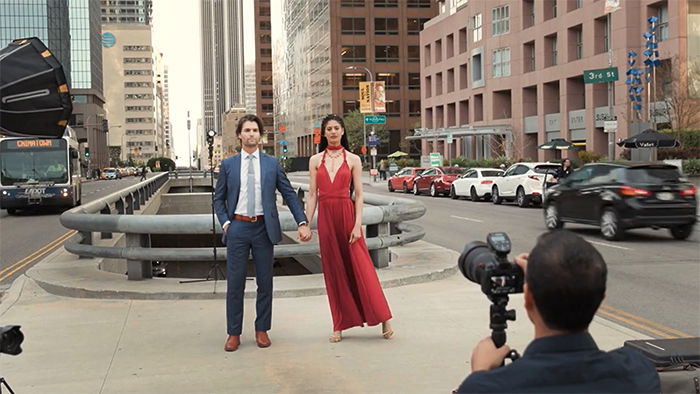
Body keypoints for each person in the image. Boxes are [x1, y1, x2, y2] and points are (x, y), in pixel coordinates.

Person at [455, 230, 660, 393]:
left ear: (528, 299)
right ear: (600, 300)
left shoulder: (487, 387)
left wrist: (480, 373)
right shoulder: (638, 373)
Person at [214, 114, 312, 352]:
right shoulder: (228, 165)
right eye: (246, 130)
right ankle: (233, 333)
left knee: (265, 282)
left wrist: (302, 221)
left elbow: (289, 194)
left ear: (260, 135)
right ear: (239, 135)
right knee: (235, 284)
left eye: (255, 131)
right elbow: (218, 199)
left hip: (263, 228)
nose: (251, 134)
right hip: (237, 227)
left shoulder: (272, 164)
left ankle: (262, 330)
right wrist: (227, 224)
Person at [305, 114, 393, 343]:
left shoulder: (353, 159)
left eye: (336, 128)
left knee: (362, 267)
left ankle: (384, 317)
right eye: (329, 129)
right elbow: (313, 195)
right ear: (323, 133)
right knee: (334, 273)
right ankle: (339, 324)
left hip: (347, 216)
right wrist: (305, 223)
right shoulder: (315, 160)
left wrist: (357, 225)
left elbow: (360, 195)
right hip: (326, 219)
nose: (333, 132)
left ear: (343, 132)